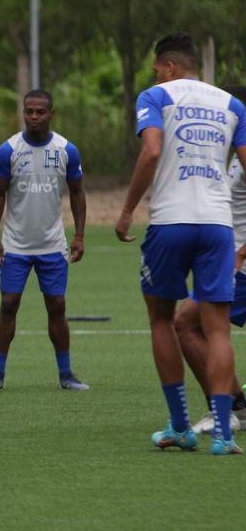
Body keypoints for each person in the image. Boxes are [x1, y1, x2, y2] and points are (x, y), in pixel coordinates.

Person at [116, 32, 246, 455]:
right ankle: (225, 435)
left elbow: (151, 152)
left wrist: (127, 209)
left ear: (169, 67)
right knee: (217, 329)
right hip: (218, 226)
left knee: (161, 320)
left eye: (157, 68)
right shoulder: (232, 104)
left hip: (171, 221)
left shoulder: (155, 96)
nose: (155, 74)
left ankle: (180, 427)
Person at [0, 89, 89, 392]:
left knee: (56, 305)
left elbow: (78, 192)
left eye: (40, 112)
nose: (34, 117)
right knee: (8, 304)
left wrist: (79, 234)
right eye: (29, 111)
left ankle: (66, 374)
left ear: (51, 114)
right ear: (23, 113)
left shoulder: (67, 149)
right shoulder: (8, 150)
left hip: (52, 244)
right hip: (15, 245)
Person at [175, 84, 246, 435]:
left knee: (186, 324)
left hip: (240, 267)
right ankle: (235, 406)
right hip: (228, 261)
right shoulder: (234, 152)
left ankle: (226, 410)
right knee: (191, 325)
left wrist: (242, 252)